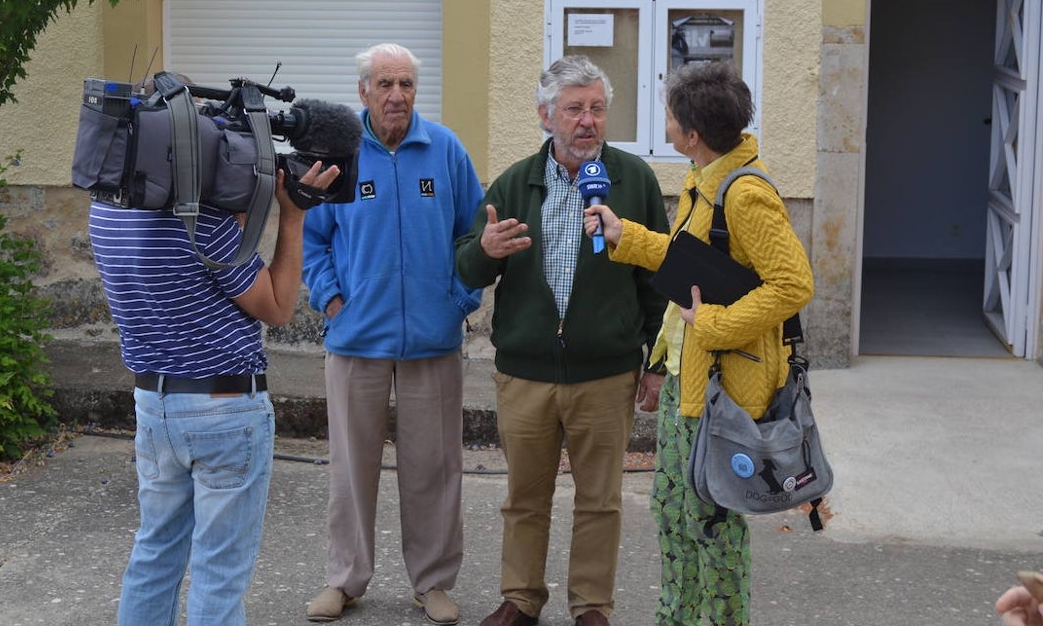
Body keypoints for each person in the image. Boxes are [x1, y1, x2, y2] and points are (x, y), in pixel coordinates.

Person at [582, 60, 814, 626]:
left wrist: (712, 326)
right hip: (687, 383)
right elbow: (693, 268)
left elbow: (794, 284)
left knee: (713, 525)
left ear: (691, 134)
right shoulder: (702, 178)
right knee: (673, 514)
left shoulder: (744, 194)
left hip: (723, 391)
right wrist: (625, 235)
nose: (663, 121)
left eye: (668, 114)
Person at [89, 113, 339, 626]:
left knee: (155, 553)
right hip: (224, 408)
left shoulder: (104, 211)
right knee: (218, 574)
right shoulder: (202, 222)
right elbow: (276, 306)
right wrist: (292, 217)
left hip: (154, 406)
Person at [454, 54, 669, 626]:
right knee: (525, 497)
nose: (587, 121)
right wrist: (485, 251)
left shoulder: (633, 180)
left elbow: (658, 280)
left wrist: (656, 363)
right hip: (525, 373)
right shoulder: (513, 182)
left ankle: (592, 605)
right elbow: (468, 269)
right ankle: (521, 597)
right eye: (574, 109)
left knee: (601, 501)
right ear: (546, 115)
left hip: (606, 371)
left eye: (597, 109)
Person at [301, 43, 485, 625]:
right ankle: (345, 579)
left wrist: (461, 300)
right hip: (356, 339)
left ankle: (432, 582)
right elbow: (312, 238)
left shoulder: (445, 150)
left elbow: (475, 236)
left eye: (405, 83)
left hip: (433, 342)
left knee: (434, 467)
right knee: (351, 468)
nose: (397, 95)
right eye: (384, 84)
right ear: (363, 92)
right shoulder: (340, 154)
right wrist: (332, 300)